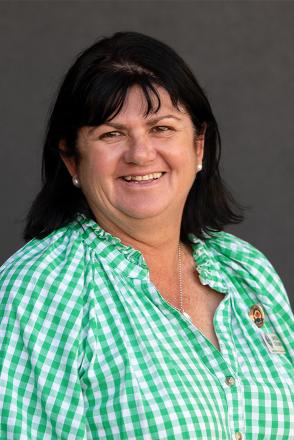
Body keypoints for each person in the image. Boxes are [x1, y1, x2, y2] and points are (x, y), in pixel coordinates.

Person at [0, 31, 293, 440]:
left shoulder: (246, 271)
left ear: (198, 146)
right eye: (111, 134)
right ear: (71, 159)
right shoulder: (41, 287)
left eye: (161, 128)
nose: (140, 154)